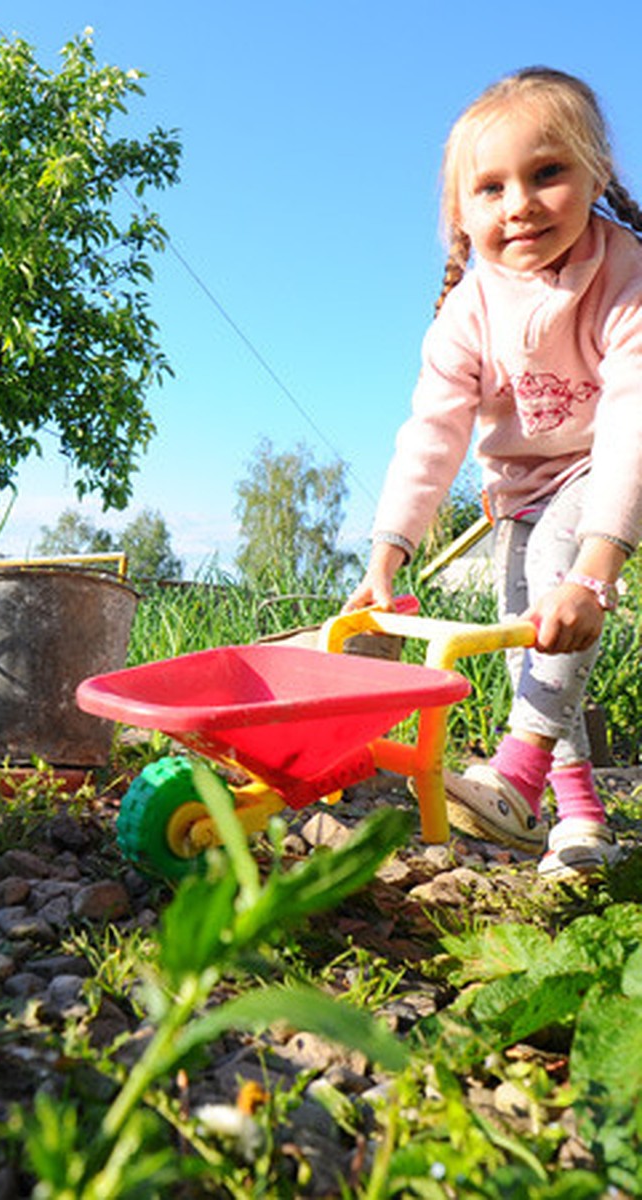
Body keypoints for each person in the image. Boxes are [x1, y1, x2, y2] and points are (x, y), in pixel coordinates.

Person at [346, 66, 642, 878]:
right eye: (490, 188)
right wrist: (386, 555)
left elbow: (632, 421)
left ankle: (514, 774)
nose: (520, 203)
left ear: (596, 175)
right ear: (459, 214)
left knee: (558, 580)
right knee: (533, 648)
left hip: (610, 469)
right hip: (520, 491)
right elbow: (431, 436)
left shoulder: (625, 278)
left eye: (548, 173)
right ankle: (576, 823)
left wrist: (597, 564)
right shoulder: (467, 315)